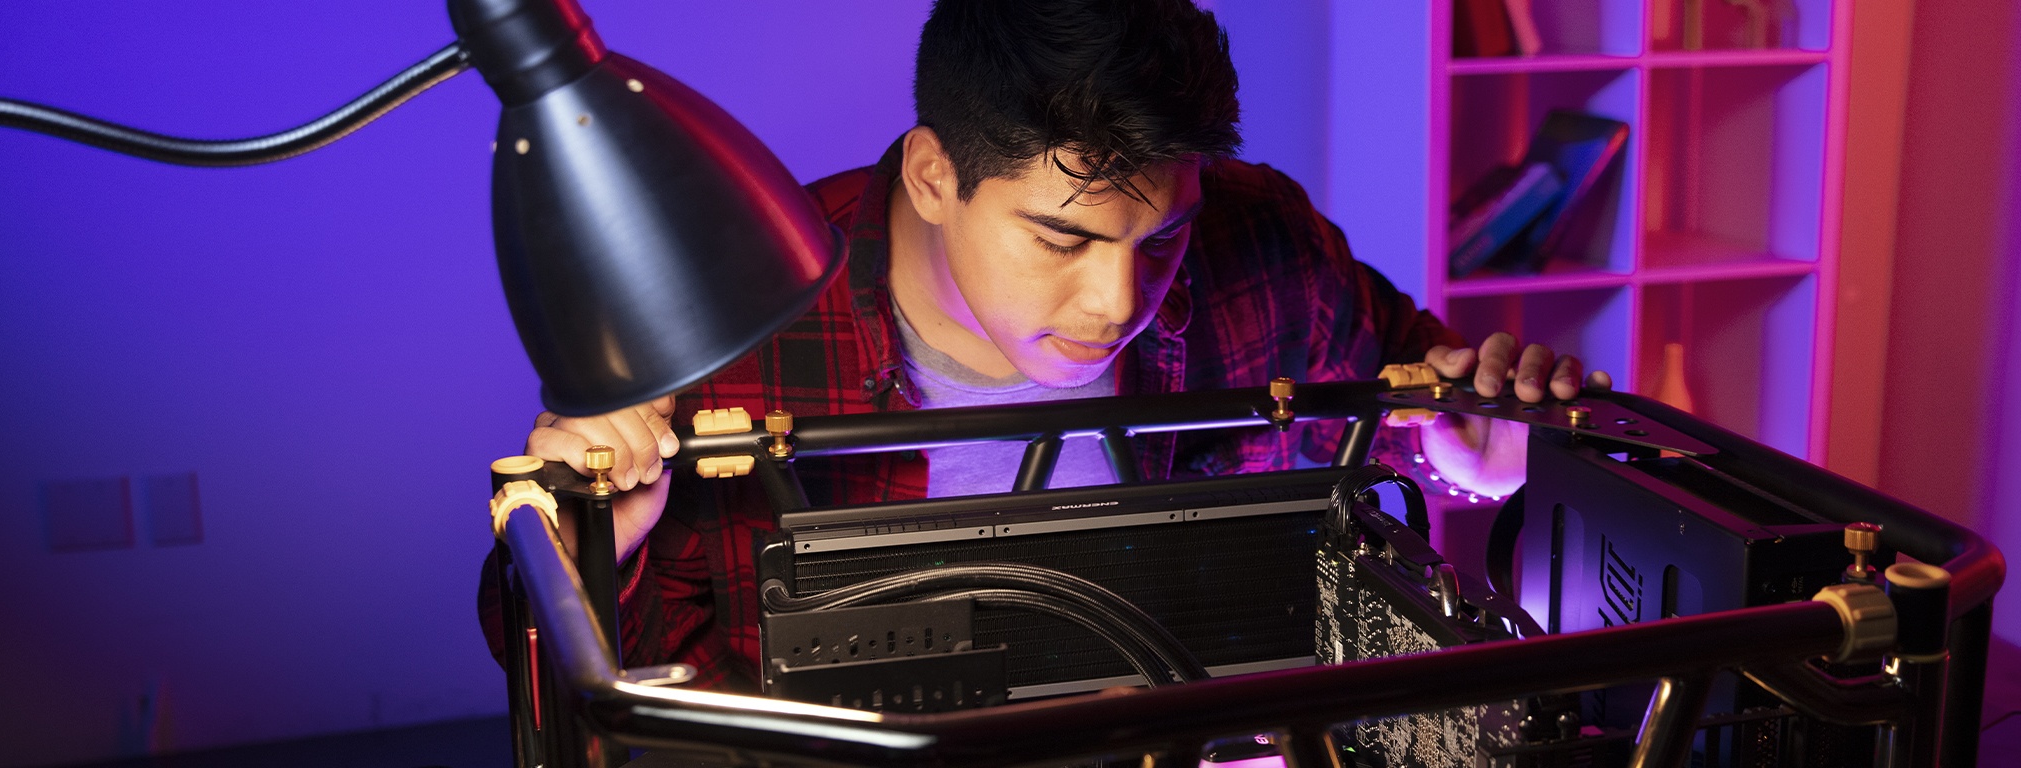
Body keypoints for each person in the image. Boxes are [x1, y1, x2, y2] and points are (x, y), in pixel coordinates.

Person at [482, 0, 1605, 689]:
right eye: (1060, 237)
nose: (1117, 297)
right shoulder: (734, 326)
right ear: (934, 177)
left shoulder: (1263, 241)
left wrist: (1482, 456)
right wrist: (598, 539)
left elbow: (1408, 407)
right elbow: (573, 669)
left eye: (1159, 237)